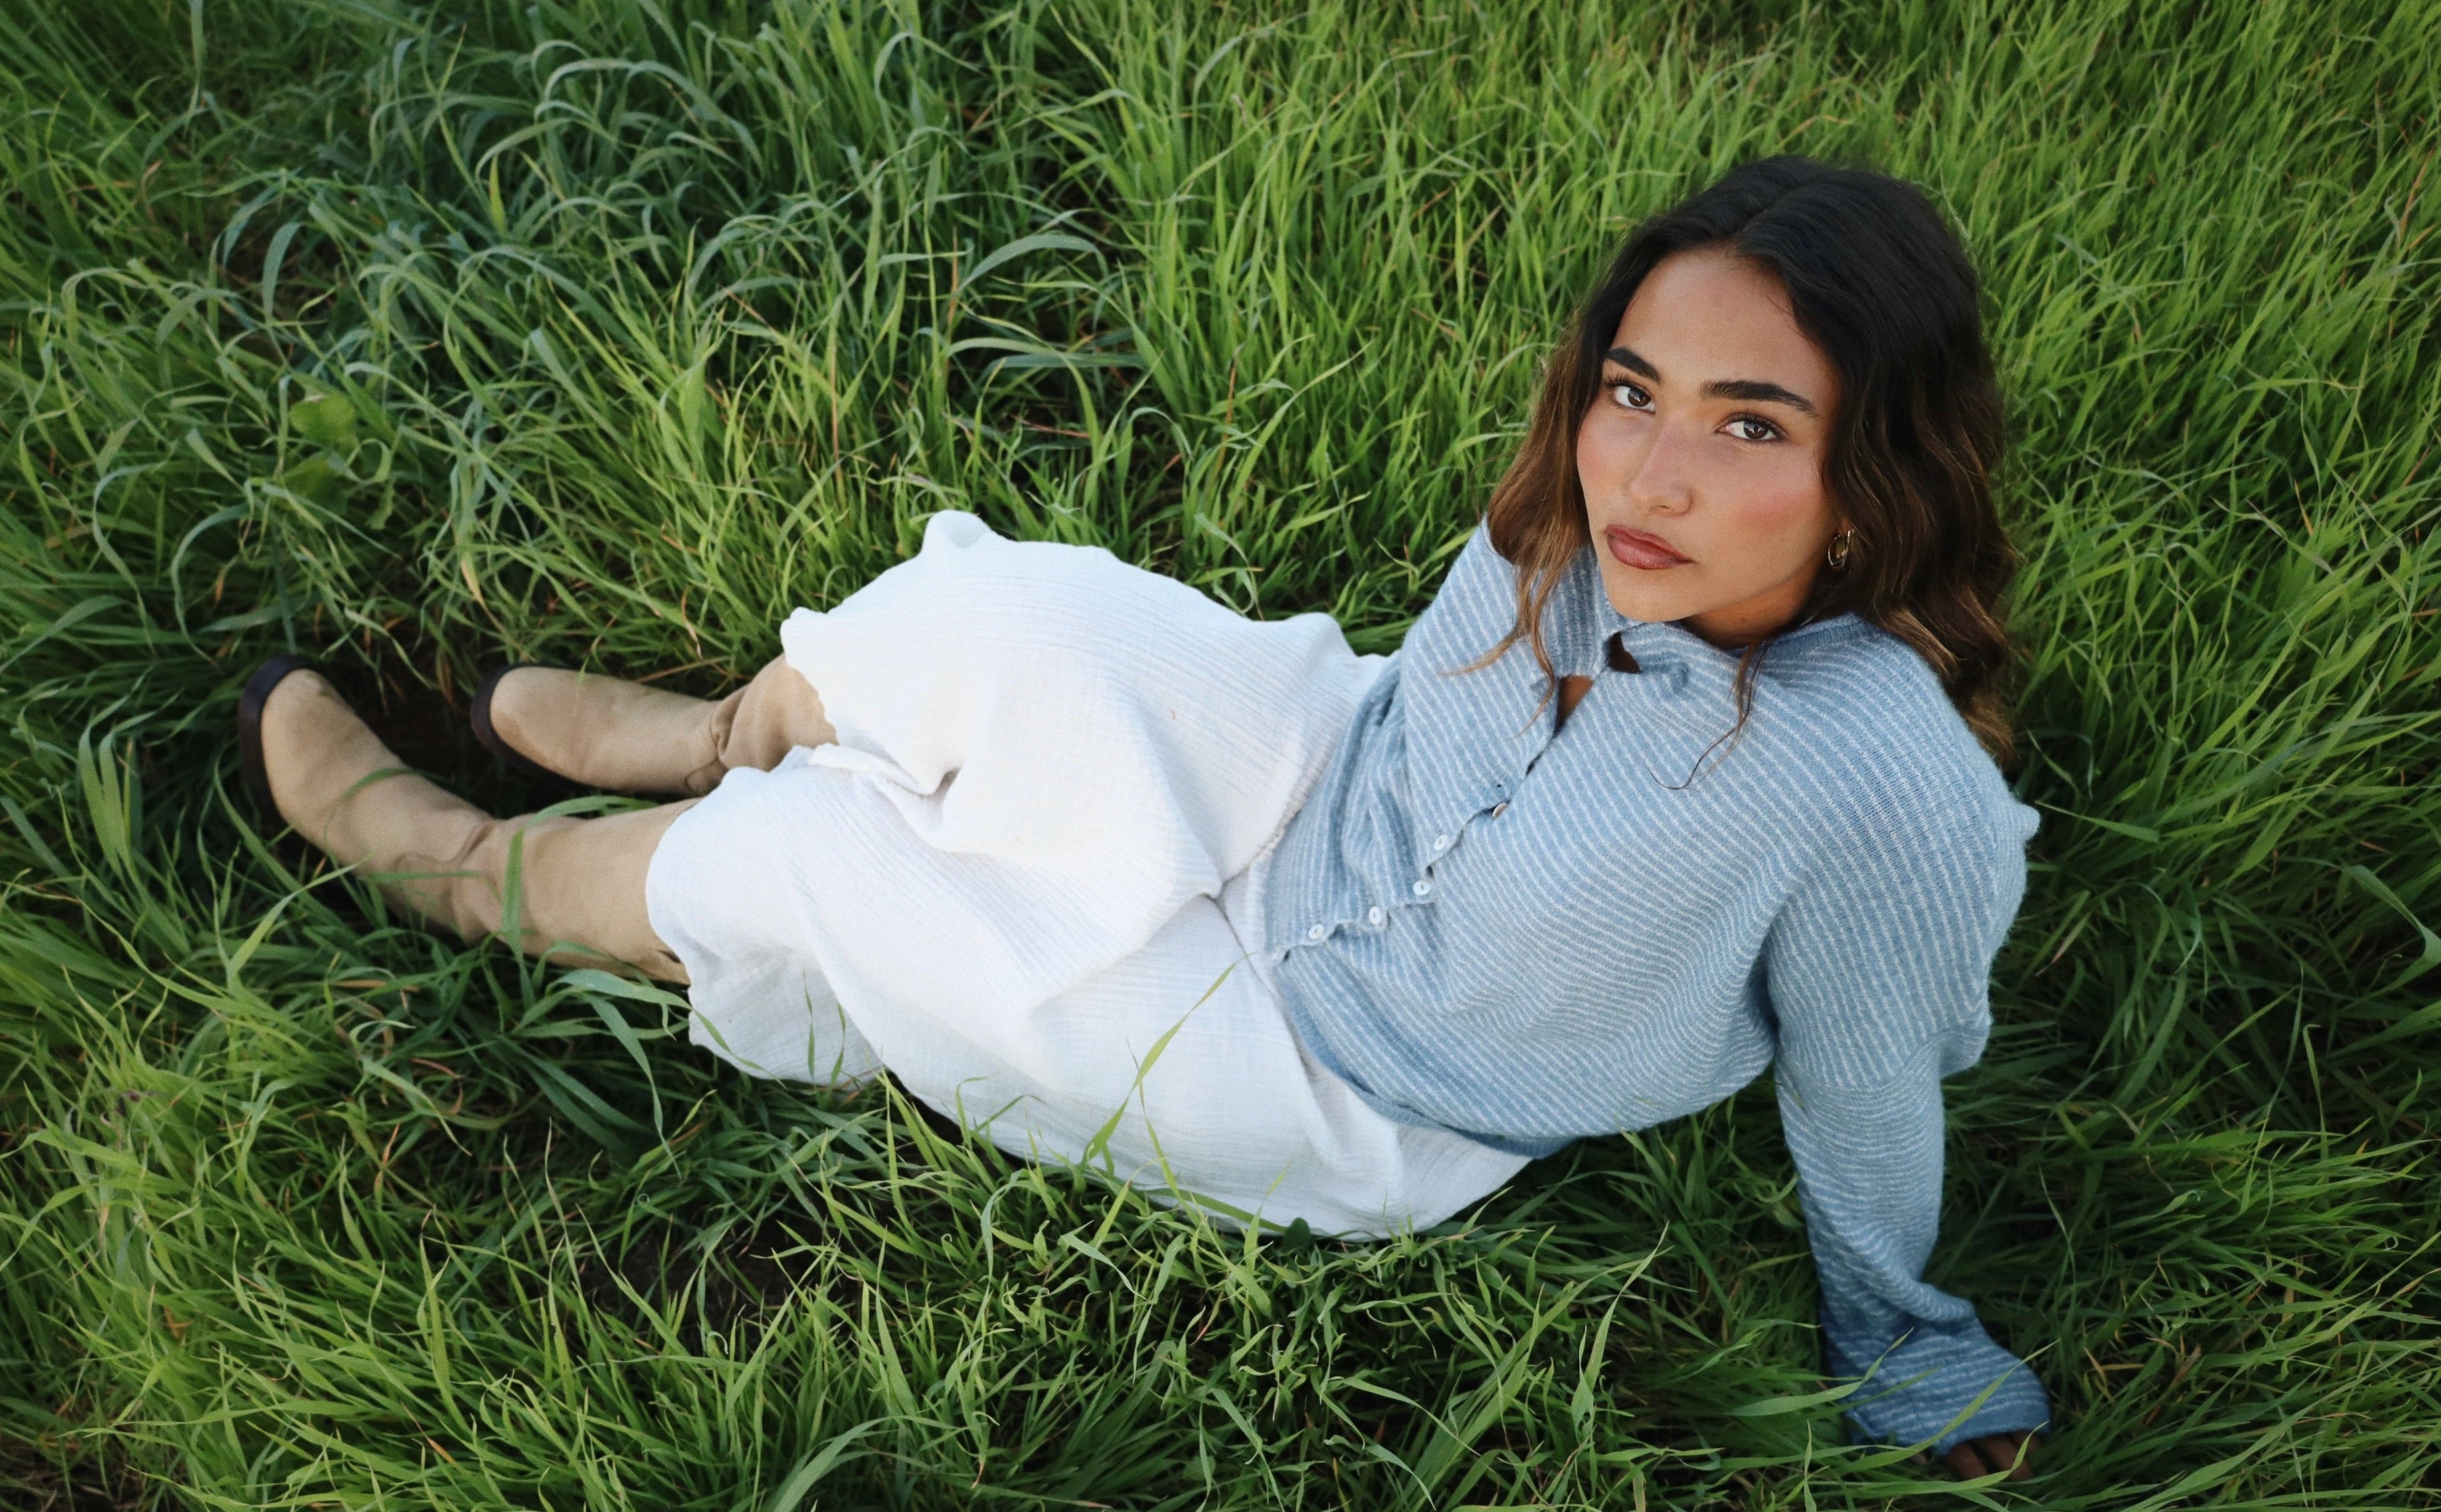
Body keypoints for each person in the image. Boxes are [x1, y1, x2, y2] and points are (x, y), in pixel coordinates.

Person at [240, 157, 2050, 1479]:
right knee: (998, 618)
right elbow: (1426, 689)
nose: (1647, 468)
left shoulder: (1878, 789)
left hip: (1348, 1068)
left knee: (844, 868)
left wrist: (1896, 1335)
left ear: (1875, 467)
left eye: (1751, 428)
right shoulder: (1579, 513)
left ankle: (472, 870)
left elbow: (1872, 1075)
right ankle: (724, 730)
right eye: (1633, 390)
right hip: (1310, 763)